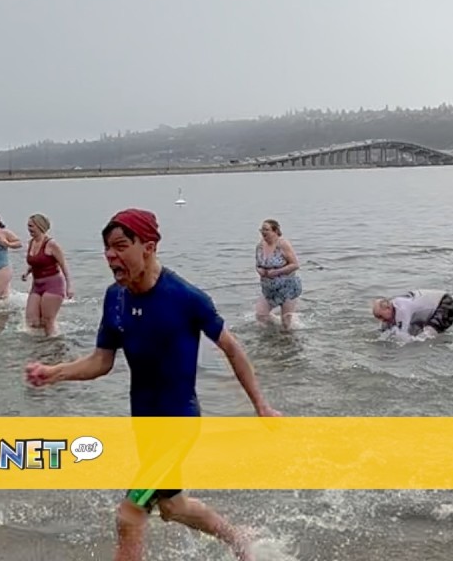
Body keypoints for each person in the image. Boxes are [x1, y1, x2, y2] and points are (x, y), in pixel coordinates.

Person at [25, 208, 279, 561]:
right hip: (144, 425)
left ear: (149, 246)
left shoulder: (185, 297)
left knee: (129, 514)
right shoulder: (115, 298)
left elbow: (232, 348)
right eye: (107, 249)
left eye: (120, 246)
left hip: (177, 425)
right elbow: (101, 361)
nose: (111, 256)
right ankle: (240, 541)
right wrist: (55, 372)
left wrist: (261, 407)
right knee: (173, 507)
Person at [22, 213, 73, 336]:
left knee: (47, 321)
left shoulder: (51, 244)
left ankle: (53, 347)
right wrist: (27, 272)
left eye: (31, 226)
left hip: (53, 285)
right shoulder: (31, 243)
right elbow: (35, 262)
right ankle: (40, 347)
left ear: (40, 226)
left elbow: (63, 265)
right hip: (37, 285)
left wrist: (69, 286)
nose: (29, 229)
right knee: (32, 321)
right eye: (28, 226)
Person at [253, 219, 302, 328]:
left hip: (287, 289)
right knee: (260, 316)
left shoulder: (283, 244)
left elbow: (295, 265)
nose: (263, 232)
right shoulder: (260, 246)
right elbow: (258, 264)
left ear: (275, 231)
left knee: (286, 323)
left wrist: (277, 272)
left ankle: (288, 338)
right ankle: (274, 328)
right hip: (268, 290)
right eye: (262, 230)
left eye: (266, 230)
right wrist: (259, 270)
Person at [371, 289, 453, 338]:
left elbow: (404, 336)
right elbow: (384, 331)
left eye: (380, 316)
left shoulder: (403, 309)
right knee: (414, 330)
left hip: (444, 304)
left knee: (425, 337)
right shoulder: (393, 306)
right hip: (431, 305)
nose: (381, 320)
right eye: (377, 317)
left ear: (388, 308)